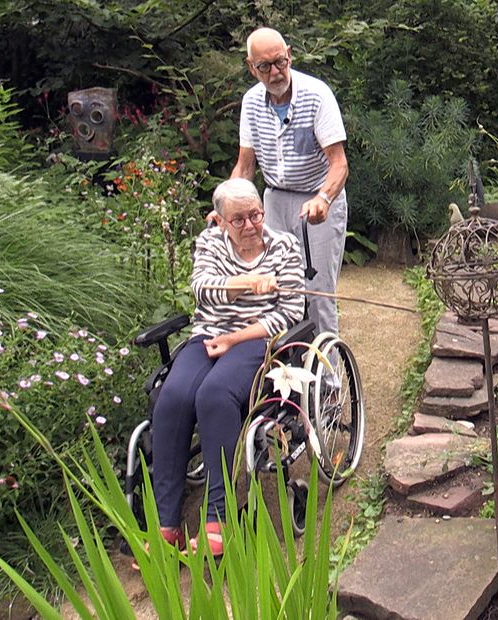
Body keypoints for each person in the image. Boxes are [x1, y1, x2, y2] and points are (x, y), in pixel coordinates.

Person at [149, 178, 303, 557]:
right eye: (239, 219)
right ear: (219, 221)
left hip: (257, 340)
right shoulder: (209, 243)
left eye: (256, 215)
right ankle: (165, 522)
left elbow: (291, 312)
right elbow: (202, 287)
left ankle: (218, 515)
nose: (251, 225)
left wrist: (236, 338)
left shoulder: (284, 247)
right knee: (172, 398)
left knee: (215, 395)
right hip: (208, 335)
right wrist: (247, 283)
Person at [229, 26, 349, 338]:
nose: (275, 72)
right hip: (275, 202)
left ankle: (329, 381)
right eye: (264, 66)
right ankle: (288, 374)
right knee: (276, 290)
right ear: (251, 67)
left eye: (280, 62)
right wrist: (226, 208)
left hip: (319, 198)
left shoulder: (317, 94)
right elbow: (245, 167)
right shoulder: (251, 103)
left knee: (318, 293)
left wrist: (323, 198)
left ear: (290, 56)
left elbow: (339, 164)